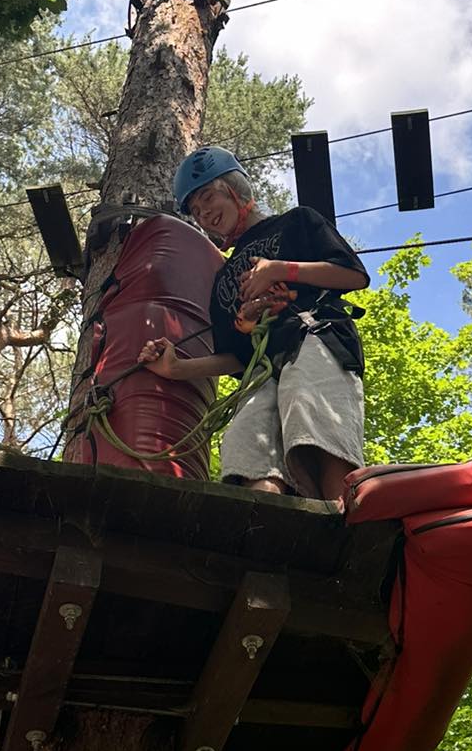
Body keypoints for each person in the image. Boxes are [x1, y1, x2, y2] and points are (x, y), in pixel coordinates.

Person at [138, 146, 370, 501]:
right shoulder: (224, 278)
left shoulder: (297, 222)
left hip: (314, 338)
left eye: (208, 197)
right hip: (261, 370)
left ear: (234, 189)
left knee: (318, 436)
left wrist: (280, 269)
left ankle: (340, 520)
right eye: (196, 210)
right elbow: (236, 357)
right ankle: (267, 526)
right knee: (249, 452)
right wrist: (176, 368)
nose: (204, 213)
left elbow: (353, 275)